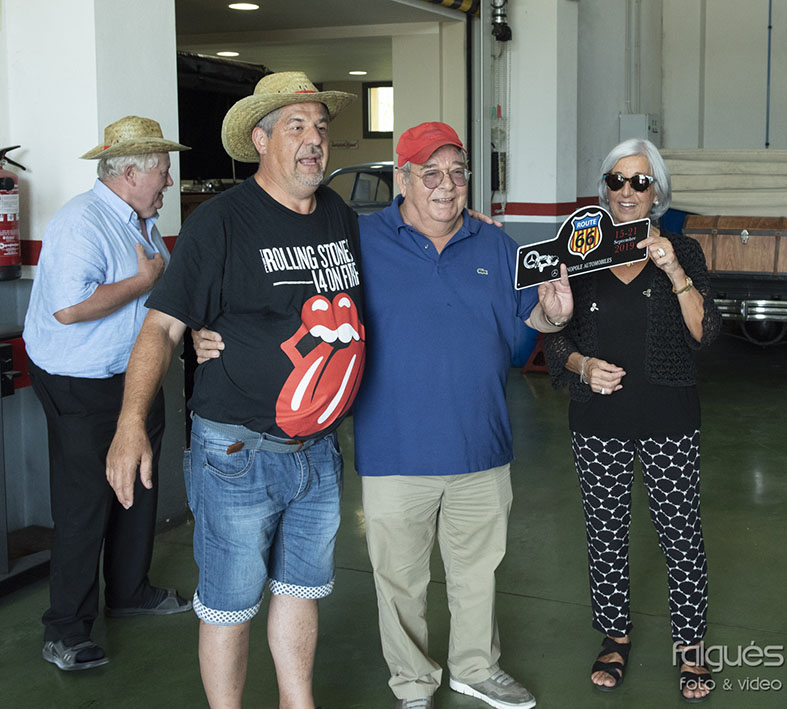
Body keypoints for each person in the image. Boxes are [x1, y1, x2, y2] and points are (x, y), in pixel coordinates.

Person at [196, 121, 574, 709]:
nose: (445, 185)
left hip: (482, 444)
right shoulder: (358, 240)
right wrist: (209, 329)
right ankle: (414, 683)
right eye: (431, 173)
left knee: (478, 572)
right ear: (403, 178)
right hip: (395, 447)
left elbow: (534, 316)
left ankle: (476, 668)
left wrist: (555, 315)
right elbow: (286, 294)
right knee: (400, 581)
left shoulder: (496, 245)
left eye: (456, 172)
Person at [105, 72, 362, 709]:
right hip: (237, 456)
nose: (314, 140)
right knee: (229, 604)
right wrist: (131, 423)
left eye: (320, 127)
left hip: (318, 451)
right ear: (261, 140)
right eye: (296, 126)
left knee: (301, 591)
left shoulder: (338, 214)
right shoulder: (220, 222)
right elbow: (162, 326)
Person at [543, 138, 721, 702]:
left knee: (681, 533)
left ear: (656, 192)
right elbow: (554, 340)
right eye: (616, 180)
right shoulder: (581, 254)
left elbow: (705, 333)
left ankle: (690, 645)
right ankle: (615, 636)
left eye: (640, 181)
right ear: (605, 189)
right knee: (605, 532)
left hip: (669, 416)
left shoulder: (684, 250)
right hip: (599, 418)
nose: (627, 191)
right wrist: (582, 365)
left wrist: (674, 271)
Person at [23, 115, 192, 672]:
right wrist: (143, 282)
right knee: (86, 501)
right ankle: (66, 630)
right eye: (162, 170)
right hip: (80, 381)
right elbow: (68, 309)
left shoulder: (140, 220)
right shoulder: (81, 221)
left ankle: (129, 591)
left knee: (139, 482)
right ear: (129, 173)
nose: (169, 181)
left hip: (133, 377)